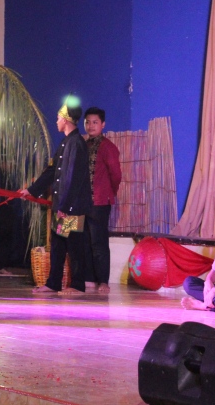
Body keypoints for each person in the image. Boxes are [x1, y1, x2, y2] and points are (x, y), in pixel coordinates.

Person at [20, 97, 92, 296]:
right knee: (58, 246)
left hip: (71, 208)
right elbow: (52, 171)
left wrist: (65, 206)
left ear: (66, 119)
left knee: (74, 246)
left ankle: (78, 285)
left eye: (59, 118)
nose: (56, 121)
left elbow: (73, 178)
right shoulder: (66, 143)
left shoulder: (76, 144)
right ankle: (53, 283)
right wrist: (32, 190)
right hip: (63, 206)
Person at [82, 107, 121, 295]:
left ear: (103, 124)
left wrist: (108, 192)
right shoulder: (82, 145)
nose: (91, 126)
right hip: (82, 203)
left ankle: (103, 281)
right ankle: (88, 279)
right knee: (84, 241)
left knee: (99, 243)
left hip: (99, 202)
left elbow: (116, 175)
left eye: (95, 122)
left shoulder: (108, 147)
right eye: (87, 122)